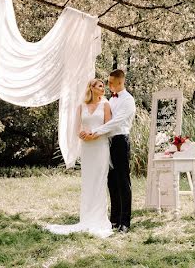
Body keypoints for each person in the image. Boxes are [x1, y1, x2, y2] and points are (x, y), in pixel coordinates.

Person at [44, 79, 114, 238]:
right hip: (87, 149)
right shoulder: (81, 107)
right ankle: (87, 217)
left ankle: (99, 218)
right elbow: (77, 129)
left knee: (100, 181)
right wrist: (83, 135)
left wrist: (94, 135)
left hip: (100, 147)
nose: (103, 88)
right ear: (92, 88)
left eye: (103, 86)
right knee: (88, 181)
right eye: (100, 86)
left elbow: (108, 127)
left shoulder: (106, 105)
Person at [83, 69, 135, 233]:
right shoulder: (109, 100)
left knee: (123, 181)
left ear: (120, 82)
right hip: (107, 142)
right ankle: (114, 219)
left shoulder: (128, 100)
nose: (109, 85)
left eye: (111, 82)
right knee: (111, 180)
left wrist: (96, 132)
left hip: (120, 140)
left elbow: (116, 122)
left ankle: (125, 222)